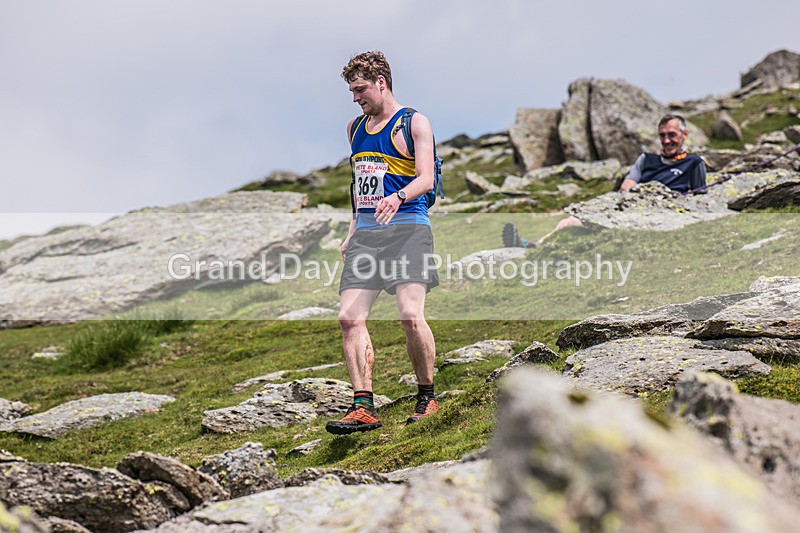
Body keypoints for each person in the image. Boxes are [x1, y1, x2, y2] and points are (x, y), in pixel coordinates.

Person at [326, 51, 440, 435]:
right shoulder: (354, 130)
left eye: (360, 89)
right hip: (368, 237)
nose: (355, 98)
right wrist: (352, 229)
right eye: (351, 91)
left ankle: (427, 397)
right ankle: (363, 407)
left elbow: (426, 178)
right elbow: (359, 185)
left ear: (381, 82)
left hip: (409, 229)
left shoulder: (413, 123)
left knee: (409, 315)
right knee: (348, 318)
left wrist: (399, 196)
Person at [502, 114, 708, 248]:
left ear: (684, 135)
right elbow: (627, 186)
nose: (666, 140)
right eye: (662, 135)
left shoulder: (694, 163)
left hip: (663, 214)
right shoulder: (647, 159)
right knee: (570, 221)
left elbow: (700, 199)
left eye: (672, 135)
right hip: (631, 207)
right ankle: (531, 245)